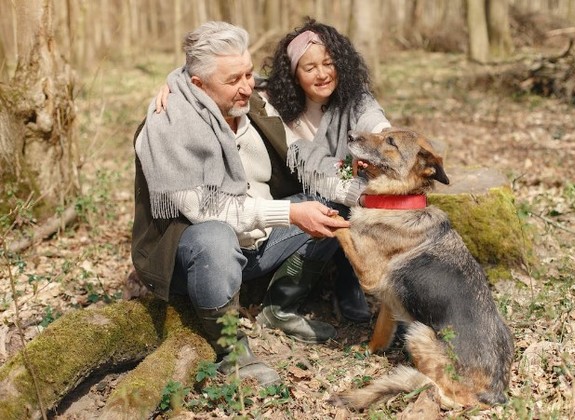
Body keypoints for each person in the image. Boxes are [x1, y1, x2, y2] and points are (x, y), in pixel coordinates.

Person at [132, 21, 349, 387]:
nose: (248, 85)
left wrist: (367, 191)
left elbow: (317, 84)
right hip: (198, 258)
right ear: (198, 85)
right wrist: (292, 214)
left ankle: (280, 307)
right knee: (214, 236)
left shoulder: (253, 102)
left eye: (248, 73)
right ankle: (231, 349)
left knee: (331, 203)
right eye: (234, 79)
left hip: (260, 243)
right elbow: (209, 211)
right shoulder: (168, 128)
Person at [260, 18, 391, 323]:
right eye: (310, 68)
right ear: (294, 75)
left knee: (353, 197)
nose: (322, 74)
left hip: (344, 190)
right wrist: (175, 82)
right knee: (333, 202)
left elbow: (374, 122)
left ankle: (349, 281)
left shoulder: (355, 98)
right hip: (296, 194)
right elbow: (224, 78)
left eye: (329, 63)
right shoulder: (275, 103)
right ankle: (283, 301)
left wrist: (385, 141)